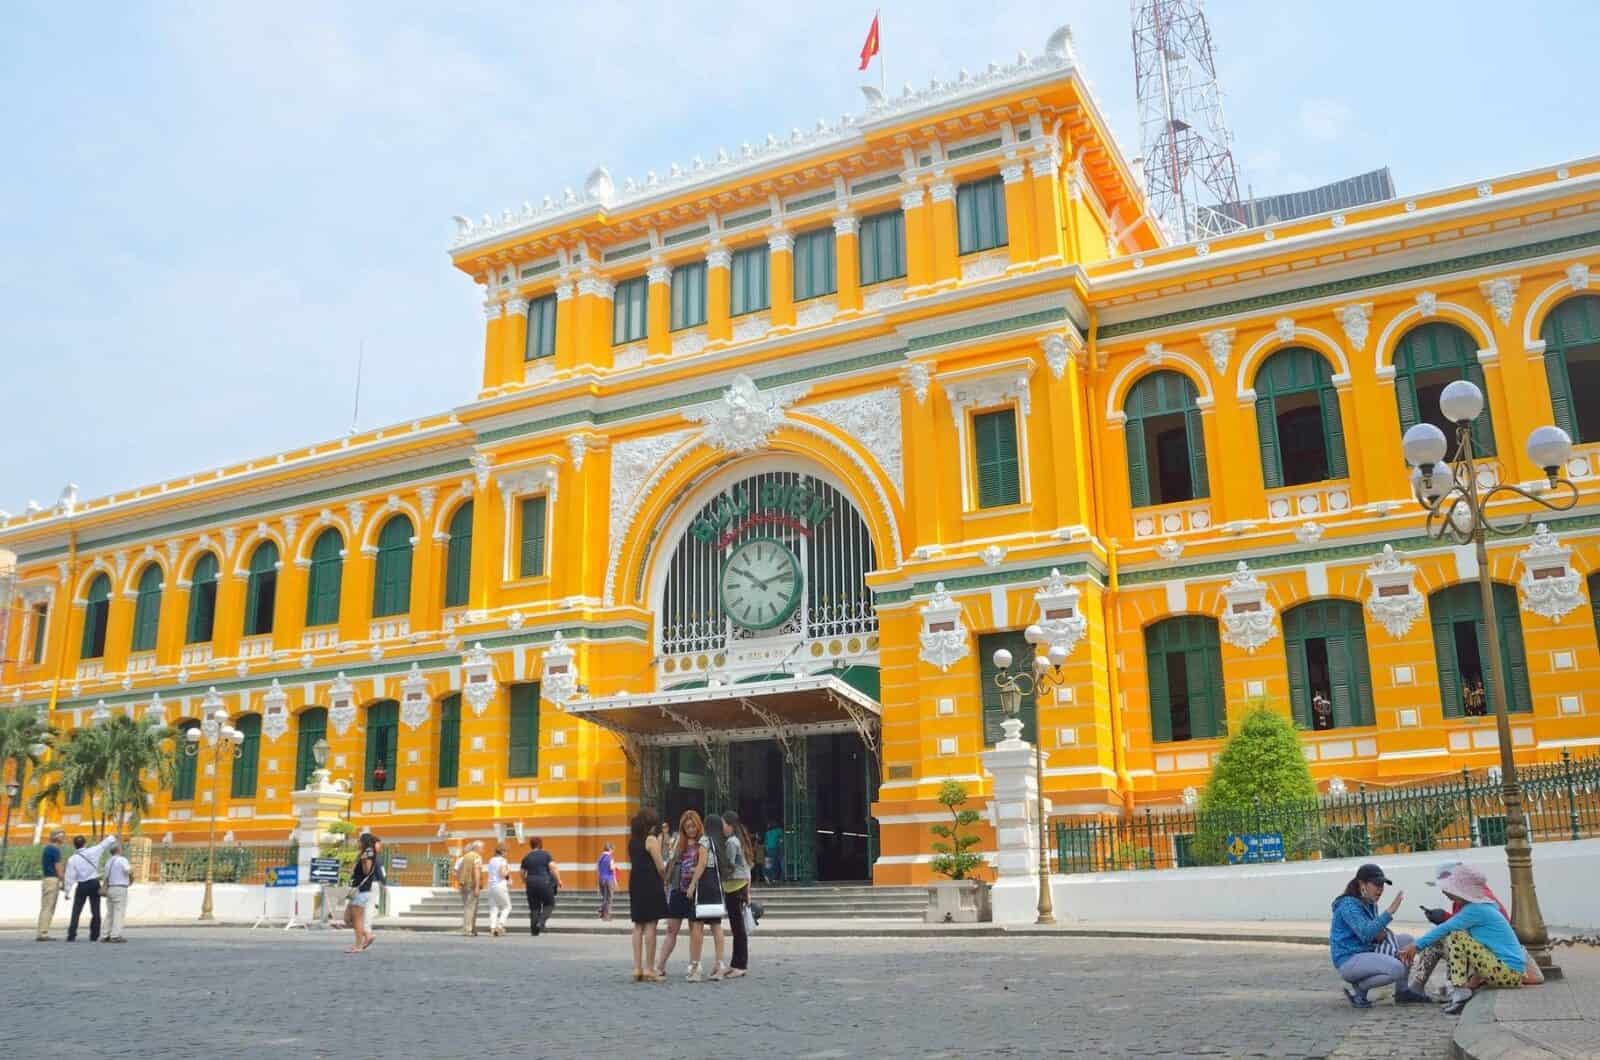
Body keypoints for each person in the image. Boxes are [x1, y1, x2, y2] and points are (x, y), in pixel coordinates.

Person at [1400, 864, 1526, 1015]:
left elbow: (1445, 928)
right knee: (1450, 937)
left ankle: (1460, 994)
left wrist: (1416, 945)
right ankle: (1456, 992)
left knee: (1455, 936)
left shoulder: (1476, 909)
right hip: (1505, 971)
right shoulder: (1480, 906)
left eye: (1449, 888)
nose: (1445, 892)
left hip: (1508, 973)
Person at [1328, 862, 1430, 1008]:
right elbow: (1366, 933)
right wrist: (1390, 911)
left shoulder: (1369, 903)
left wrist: (1380, 933)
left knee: (1407, 941)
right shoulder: (1348, 905)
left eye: (1382, 885)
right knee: (1397, 969)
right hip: (1349, 959)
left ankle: (1402, 992)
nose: (1380, 890)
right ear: (1362, 884)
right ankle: (1361, 989)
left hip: (1366, 952)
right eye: (1376, 885)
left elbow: (1375, 933)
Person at [655, 809, 725, 982]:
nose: (691, 830)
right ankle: (660, 966)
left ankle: (695, 965)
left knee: (696, 930)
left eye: (693, 826)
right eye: (687, 827)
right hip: (679, 890)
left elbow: (703, 866)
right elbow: (671, 863)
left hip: (696, 892)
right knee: (671, 929)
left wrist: (693, 882)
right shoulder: (680, 842)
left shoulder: (704, 842)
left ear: (698, 825)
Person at [628, 808, 669, 982]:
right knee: (651, 925)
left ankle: (637, 968)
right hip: (650, 883)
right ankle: (649, 969)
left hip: (635, 882)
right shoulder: (651, 840)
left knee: (638, 926)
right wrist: (666, 879)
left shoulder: (632, 841)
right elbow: (660, 866)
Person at [65, 833, 117, 943]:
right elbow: (104, 845)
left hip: (81, 885)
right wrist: (112, 837)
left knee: (76, 911)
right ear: (85, 843)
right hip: (94, 883)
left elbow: (70, 876)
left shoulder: (72, 859)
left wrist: (67, 891)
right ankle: (94, 935)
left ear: (75, 845)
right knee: (95, 910)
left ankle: (71, 935)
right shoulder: (93, 851)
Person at [720, 810, 754, 979]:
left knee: (738, 929)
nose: (722, 828)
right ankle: (736, 963)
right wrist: (748, 891)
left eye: (723, 824)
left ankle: (740, 965)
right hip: (740, 886)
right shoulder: (739, 840)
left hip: (734, 887)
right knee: (738, 928)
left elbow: (729, 866)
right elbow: (748, 869)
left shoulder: (732, 843)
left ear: (730, 825)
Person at [345, 833, 385, 953]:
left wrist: (363, 861)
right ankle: (367, 935)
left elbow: (367, 871)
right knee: (347, 918)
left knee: (357, 920)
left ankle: (358, 946)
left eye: (359, 841)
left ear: (364, 842)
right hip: (356, 889)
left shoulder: (368, 853)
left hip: (361, 890)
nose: (358, 843)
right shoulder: (365, 853)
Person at [519, 837, 561, 936]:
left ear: (531, 845)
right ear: (540, 844)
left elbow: (522, 872)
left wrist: (525, 881)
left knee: (534, 907)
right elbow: (553, 867)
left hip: (530, 882)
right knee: (549, 904)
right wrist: (558, 880)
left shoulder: (527, 857)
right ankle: (541, 922)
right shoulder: (546, 855)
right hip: (544, 881)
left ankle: (534, 930)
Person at [36, 829, 66, 942]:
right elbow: (58, 867)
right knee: (49, 907)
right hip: (52, 880)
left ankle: (41, 931)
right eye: (62, 836)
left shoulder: (47, 849)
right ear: (57, 838)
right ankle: (43, 933)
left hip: (46, 879)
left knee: (45, 907)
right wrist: (63, 880)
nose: (64, 838)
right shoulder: (55, 850)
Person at [102, 841, 132, 943]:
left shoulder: (108, 861)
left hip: (110, 888)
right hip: (120, 888)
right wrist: (132, 879)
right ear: (118, 850)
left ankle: (105, 934)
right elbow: (128, 871)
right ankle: (115, 935)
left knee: (110, 913)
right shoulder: (122, 860)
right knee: (119, 912)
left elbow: (105, 876)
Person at [454, 841, 485, 936]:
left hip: (463, 885)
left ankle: (472, 928)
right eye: (482, 848)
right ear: (477, 848)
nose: (483, 850)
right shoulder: (477, 857)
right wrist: (477, 887)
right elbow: (477, 871)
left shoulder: (464, 857)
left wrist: (460, 882)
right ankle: (468, 929)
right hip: (472, 885)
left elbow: (457, 871)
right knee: (471, 908)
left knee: (469, 907)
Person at [485, 844, 512, 937]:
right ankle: (500, 926)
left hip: (490, 886)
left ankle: (492, 928)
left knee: (494, 908)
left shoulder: (491, 860)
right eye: (506, 851)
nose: (507, 853)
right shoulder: (502, 861)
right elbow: (502, 873)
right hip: (500, 885)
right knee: (507, 907)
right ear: (502, 851)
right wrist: (508, 871)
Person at [597, 843, 617, 921]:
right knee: (609, 898)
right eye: (613, 850)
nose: (613, 852)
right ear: (610, 849)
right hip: (609, 879)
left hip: (601, 879)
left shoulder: (600, 858)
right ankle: (606, 916)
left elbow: (598, 870)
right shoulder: (610, 857)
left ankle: (602, 911)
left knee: (605, 897)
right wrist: (615, 866)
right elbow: (611, 868)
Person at [764, 819, 784, 884]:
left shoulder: (767, 833)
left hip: (768, 850)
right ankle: (777, 878)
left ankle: (770, 877)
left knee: (770, 864)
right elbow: (782, 839)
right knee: (776, 863)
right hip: (776, 849)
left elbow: (766, 843)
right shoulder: (779, 830)